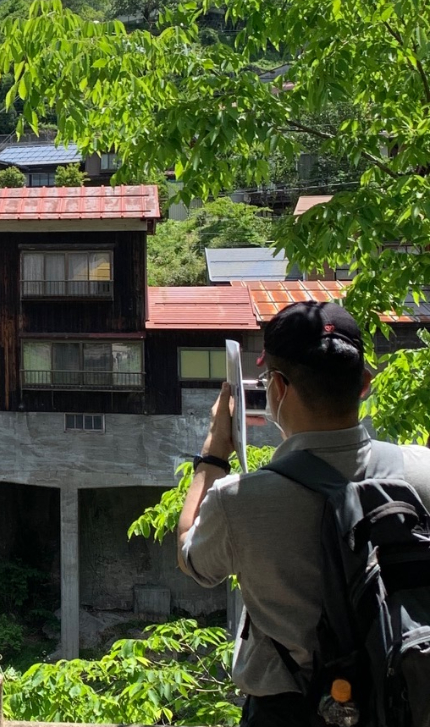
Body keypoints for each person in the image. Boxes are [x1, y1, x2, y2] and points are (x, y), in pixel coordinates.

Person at [177, 300, 430, 727]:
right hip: (401, 701)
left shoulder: (239, 500)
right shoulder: (421, 471)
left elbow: (191, 557)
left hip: (287, 711)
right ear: (365, 383)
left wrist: (213, 453)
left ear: (276, 388)